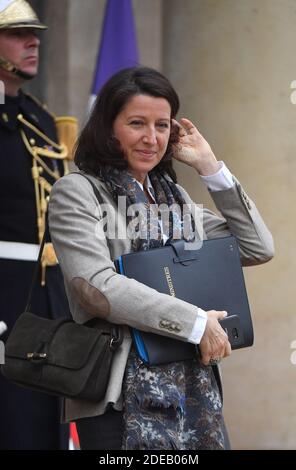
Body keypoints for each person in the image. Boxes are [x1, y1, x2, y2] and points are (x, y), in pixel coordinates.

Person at [48, 66, 274, 450]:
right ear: (108, 128)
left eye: (162, 125)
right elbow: (95, 287)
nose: (151, 138)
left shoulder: (175, 199)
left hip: (194, 394)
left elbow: (256, 246)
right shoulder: (78, 192)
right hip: (118, 395)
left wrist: (210, 168)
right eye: (137, 123)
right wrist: (195, 323)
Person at [0, 0, 71, 449]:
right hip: (3, 293)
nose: (33, 42)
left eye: (35, 33)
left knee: (43, 427)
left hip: (46, 300)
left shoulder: (39, 117)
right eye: (16, 33)